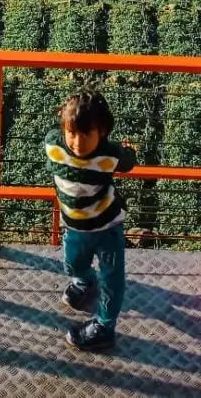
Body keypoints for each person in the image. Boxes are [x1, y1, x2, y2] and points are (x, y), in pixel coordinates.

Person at [45, 88, 137, 351]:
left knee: (112, 278)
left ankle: (105, 326)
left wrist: (128, 151)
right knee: (72, 264)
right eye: (72, 132)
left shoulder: (109, 156)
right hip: (74, 226)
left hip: (108, 226)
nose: (77, 141)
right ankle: (84, 280)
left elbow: (127, 160)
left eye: (86, 134)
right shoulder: (53, 145)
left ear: (103, 133)